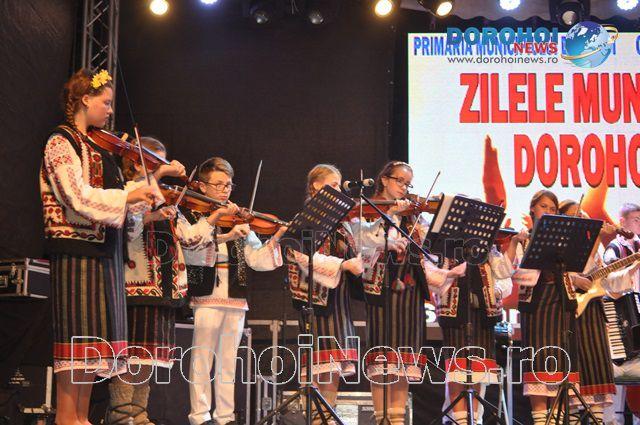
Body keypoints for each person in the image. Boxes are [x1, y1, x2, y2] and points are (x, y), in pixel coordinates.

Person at [40, 68, 155, 425]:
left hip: (104, 251)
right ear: (84, 99)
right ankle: (67, 419)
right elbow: (75, 196)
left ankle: (81, 419)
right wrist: (127, 196)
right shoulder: (61, 142)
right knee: (77, 342)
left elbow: (118, 207)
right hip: (75, 250)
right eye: (105, 102)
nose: (109, 110)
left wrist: (140, 195)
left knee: (93, 346)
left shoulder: (96, 146)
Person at [184, 157, 286, 425]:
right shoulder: (195, 216)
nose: (224, 190)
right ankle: (199, 416)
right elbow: (190, 248)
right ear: (202, 186)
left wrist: (275, 237)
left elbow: (257, 260)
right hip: (206, 295)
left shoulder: (237, 218)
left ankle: (225, 416)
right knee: (202, 359)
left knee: (229, 361)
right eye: (218, 184)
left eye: (228, 185)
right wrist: (226, 233)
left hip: (235, 297)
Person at [504, 190, 579, 425]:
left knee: (561, 362)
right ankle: (540, 421)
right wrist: (521, 247)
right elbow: (511, 274)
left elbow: (579, 268)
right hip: (536, 306)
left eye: (553, 208)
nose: (548, 211)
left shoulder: (564, 240)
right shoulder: (524, 237)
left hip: (561, 302)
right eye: (544, 206)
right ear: (533, 209)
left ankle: (557, 420)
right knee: (539, 362)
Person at [601, 203, 640, 425]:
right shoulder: (613, 249)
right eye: (636, 220)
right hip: (622, 313)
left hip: (638, 310)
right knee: (621, 367)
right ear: (622, 222)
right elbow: (609, 283)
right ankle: (612, 419)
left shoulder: (638, 245)